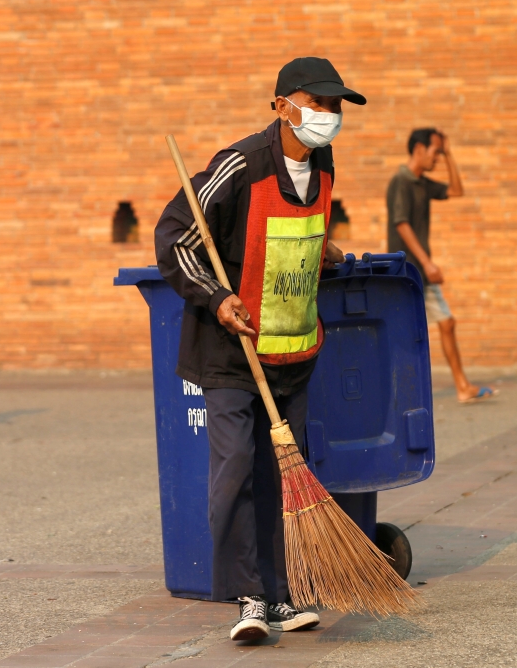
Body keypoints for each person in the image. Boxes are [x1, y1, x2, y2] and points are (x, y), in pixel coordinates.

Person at [155, 57, 363, 641]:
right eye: (317, 103)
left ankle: (278, 595)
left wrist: (328, 250)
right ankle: (248, 598)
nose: (328, 116)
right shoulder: (239, 165)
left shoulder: (322, 167)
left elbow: (294, 233)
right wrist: (217, 298)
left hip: (293, 352)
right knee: (235, 474)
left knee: (282, 480)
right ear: (281, 107)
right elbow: (176, 235)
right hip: (230, 353)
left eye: (335, 106)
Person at [387, 128, 495, 403]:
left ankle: (462, 386)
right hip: (407, 272)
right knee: (406, 332)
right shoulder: (401, 181)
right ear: (419, 150)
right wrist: (427, 263)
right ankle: (398, 391)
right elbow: (402, 223)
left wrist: (449, 154)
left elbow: (457, 190)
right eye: (435, 152)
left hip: (421, 272)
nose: (436, 159)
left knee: (446, 323)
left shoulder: (422, 183)